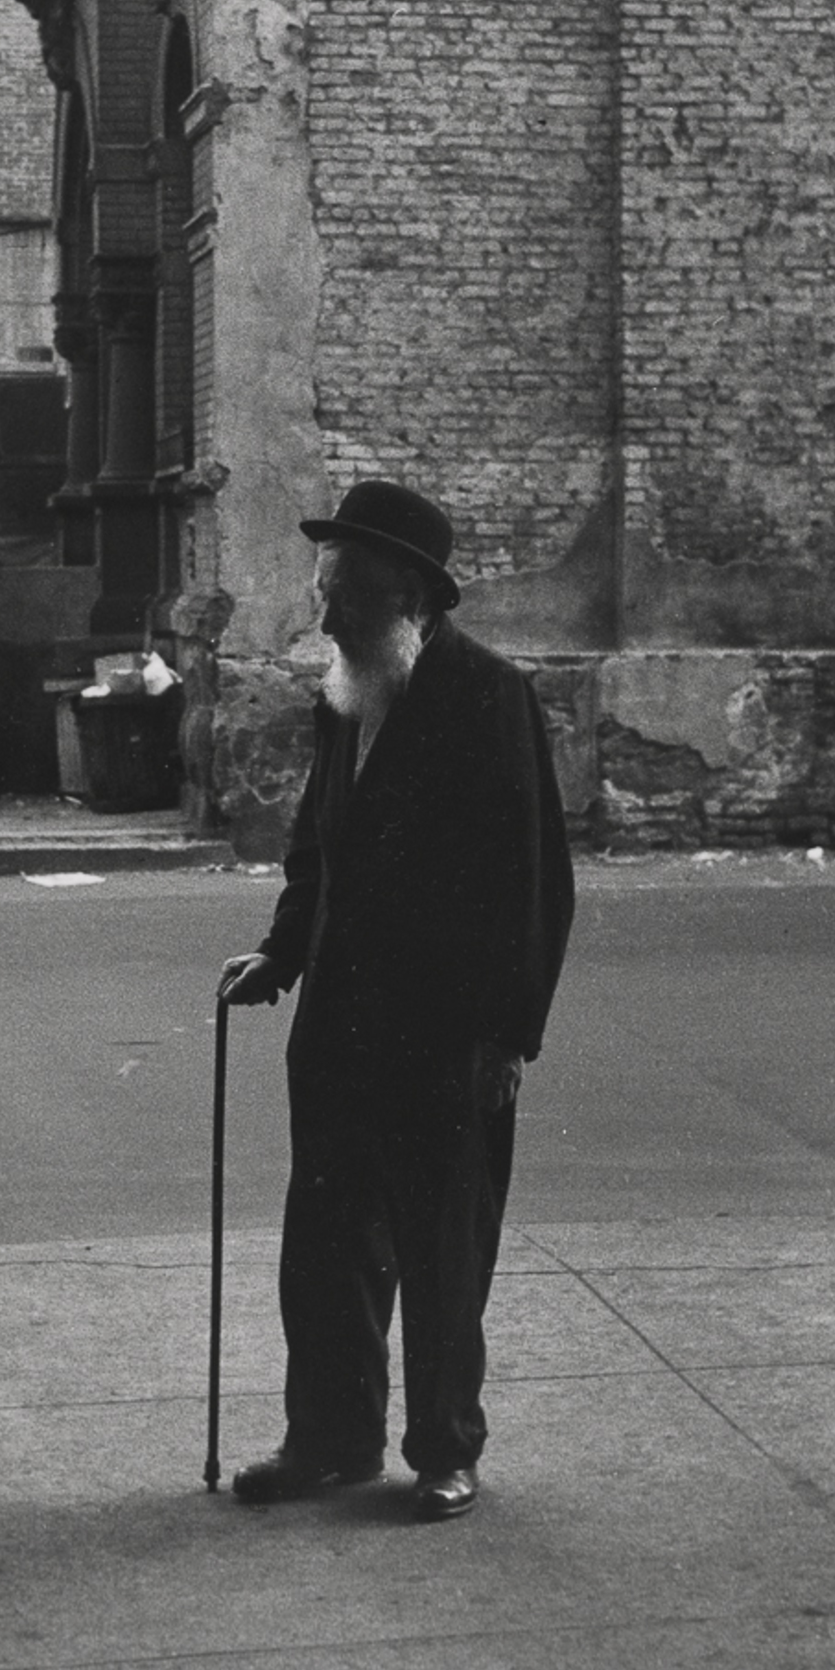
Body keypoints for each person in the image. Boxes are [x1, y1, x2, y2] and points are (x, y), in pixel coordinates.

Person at [219, 480, 574, 1523]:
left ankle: (445, 1449)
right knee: (326, 1243)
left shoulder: (485, 697)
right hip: (340, 1027)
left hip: (446, 1033)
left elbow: (532, 881)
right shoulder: (347, 694)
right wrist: (282, 955)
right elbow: (316, 850)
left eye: (341, 594)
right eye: (323, 590)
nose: (320, 613)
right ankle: (330, 1440)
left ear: (405, 595)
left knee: (442, 1246)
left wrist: (512, 1032)